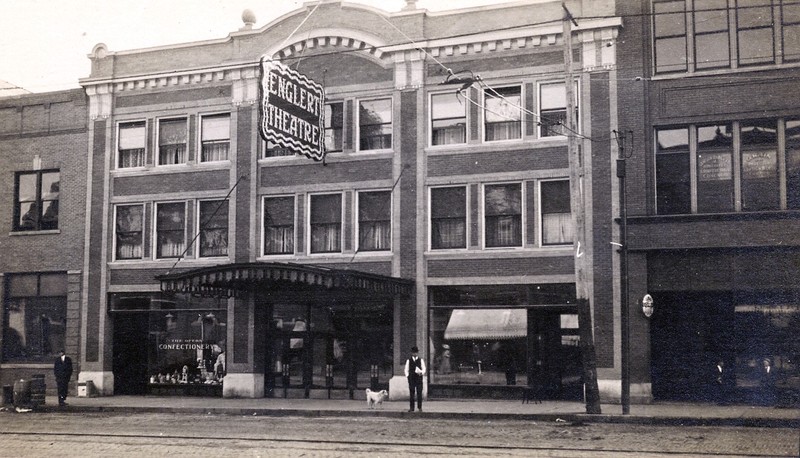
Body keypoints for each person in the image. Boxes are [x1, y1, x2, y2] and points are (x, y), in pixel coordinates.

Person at [404, 346, 426, 412]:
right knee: (412, 394)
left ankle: (419, 407)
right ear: (412, 353)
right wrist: (408, 376)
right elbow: (406, 369)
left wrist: (421, 372)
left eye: (416, 352)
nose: (415, 354)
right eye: (413, 353)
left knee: (419, 393)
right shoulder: (409, 360)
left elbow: (424, 368)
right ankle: (411, 408)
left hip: (419, 379)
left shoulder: (421, 360)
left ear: (417, 353)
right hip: (412, 379)